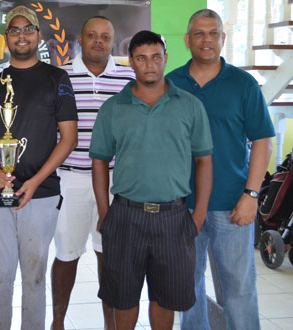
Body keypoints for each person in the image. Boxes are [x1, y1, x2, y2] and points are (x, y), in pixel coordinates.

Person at [90, 30, 213, 330]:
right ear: (131, 62)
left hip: (173, 218)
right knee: (123, 299)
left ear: (165, 59)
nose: (150, 65)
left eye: (156, 57)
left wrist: (197, 216)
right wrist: (106, 214)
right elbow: (99, 161)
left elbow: (204, 161)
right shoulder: (113, 109)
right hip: (125, 217)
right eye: (142, 58)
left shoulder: (189, 105)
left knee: (165, 300)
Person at [0, 6, 78, 329]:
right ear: (6, 38)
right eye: (14, 30)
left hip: (41, 193)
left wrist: (35, 181)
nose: (21, 35)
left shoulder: (57, 78)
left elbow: (68, 137)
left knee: (34, 278)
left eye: (27, 29)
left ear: (38, 35)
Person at [167, 9, 275, 330]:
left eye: (213, 33)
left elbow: (262, 141)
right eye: (199, 33)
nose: (206, 40)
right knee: (188, 287)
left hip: (232, 205)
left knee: (238, 289)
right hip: (182, 205)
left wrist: (252, 195)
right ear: (187, 40)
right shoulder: (171, 83)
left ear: (223, 39)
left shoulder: (243, 84)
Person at [51, 16, 134, 330]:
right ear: (80, 40)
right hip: (70, 179)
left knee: (109, 257)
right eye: (92, 36)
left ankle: (110, 324)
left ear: (113, 42)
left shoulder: (128, 78)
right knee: (66, 255)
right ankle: (58, 322)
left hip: (115, 181)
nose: (98, 42)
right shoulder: (61, 77)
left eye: (105, 37)